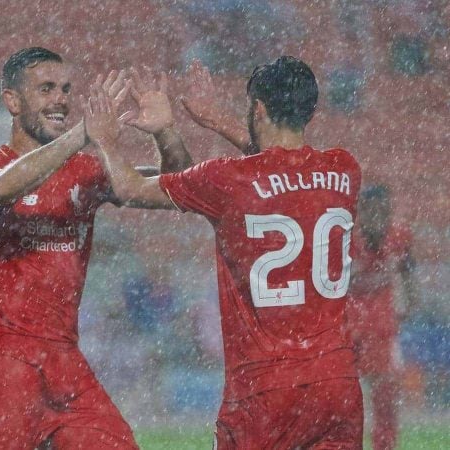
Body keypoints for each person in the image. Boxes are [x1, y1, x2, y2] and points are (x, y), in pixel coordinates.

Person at [83, 55, 364, 449]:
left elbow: (129, 188)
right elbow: (283, 171)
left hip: (263, 391)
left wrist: (106, 141)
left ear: (259, 109)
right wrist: (214, 121)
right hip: (337, 383)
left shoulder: (228, 179)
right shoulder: (344, 171)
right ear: (310, 109)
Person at [0, 47, 192, 450]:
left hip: (64, 360)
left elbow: (181, 189)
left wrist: (165, 132)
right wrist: (81, 134)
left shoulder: (85, 172)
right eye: (46, 89)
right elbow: (2, 188)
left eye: (65, 89)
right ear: (12, 101)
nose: (60, 99)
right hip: (2, 360)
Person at [346, 184, 418, 450]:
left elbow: (408, 269)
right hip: (346, 328)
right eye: (371, 212)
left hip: (381, 328)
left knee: (386, 400)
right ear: (360, 213)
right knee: (340, 399)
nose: (378, 218)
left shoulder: (399, 236)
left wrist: (409, 301)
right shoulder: (345, 239)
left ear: (389, 212)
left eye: (382, 212)